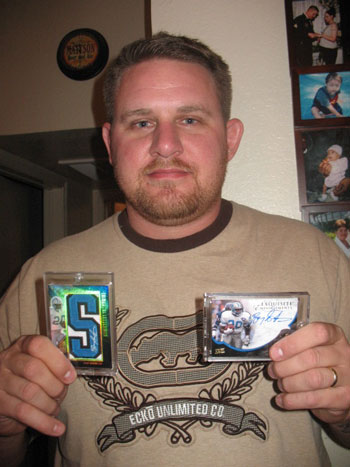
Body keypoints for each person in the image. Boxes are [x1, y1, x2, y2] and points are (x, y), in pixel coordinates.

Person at [0, 32, 350, 467]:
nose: (165, 145)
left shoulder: (317, 256)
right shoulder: (42, 275)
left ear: (230, 138)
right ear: (110, 143)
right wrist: (6, 425)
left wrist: (344, 410)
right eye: (142, 122)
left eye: (190, 120)